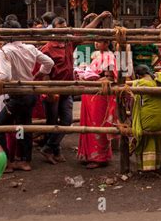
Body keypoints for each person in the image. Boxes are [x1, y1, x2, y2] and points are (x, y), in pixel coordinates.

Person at [39, 12, 110, 164]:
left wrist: (99, 17)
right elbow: (44, 73)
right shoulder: (47, 49)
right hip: (54, 90)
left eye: (65, 28)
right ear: (53, 29)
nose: (64, 31)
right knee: (52, 122)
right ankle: (54, 151)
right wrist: (49, 91)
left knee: (66, 120)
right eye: (60, 28)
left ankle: (48, 148)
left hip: (68, 88)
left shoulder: (69, 42)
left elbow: (85, 31)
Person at [0, 21, 54, 172]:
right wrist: (39, 73)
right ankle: (25, 161)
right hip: (30, 95)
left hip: (18, 96)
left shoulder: (5, 50)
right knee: (22, 127)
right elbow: (49, 63)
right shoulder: (30, 48)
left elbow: (5, 75)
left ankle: (6, 162)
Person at [77, 39, 117, 168]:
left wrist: (94, 79)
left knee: (99, 123)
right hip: (91, 94)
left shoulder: (109, 57)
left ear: (106, 43)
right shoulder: (97, 56)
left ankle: (99, 157)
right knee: (89, 124)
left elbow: (110, 78)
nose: (96, 43)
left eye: (99, 41)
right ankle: (89, 154)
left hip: (99, 95)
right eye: (95, 41)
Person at [131, 64, 161, 172]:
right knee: (156, 135)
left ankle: (146, 166)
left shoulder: (138, 83)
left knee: (142, 131)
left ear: (138, 75)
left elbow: (133, 103)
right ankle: (156, 164)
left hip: (149, 122)